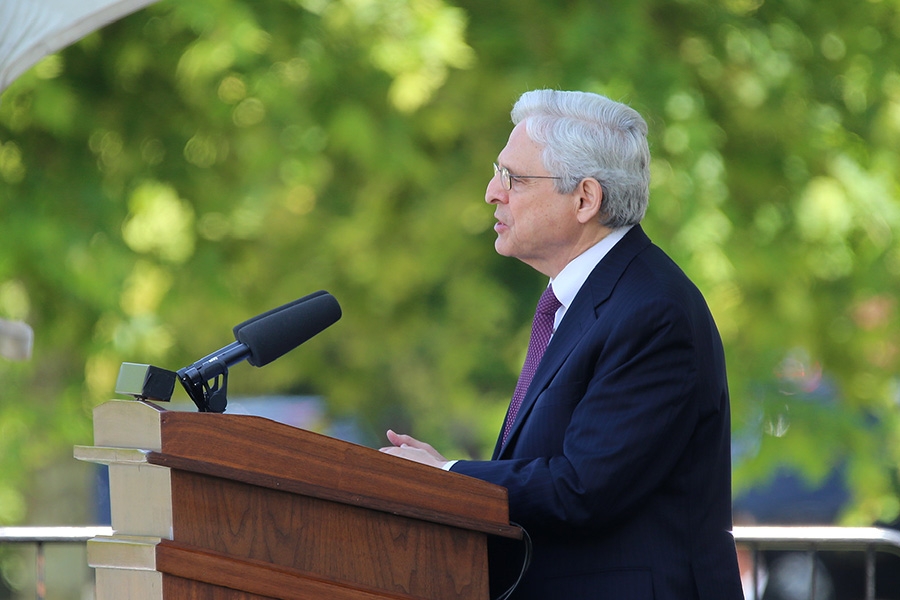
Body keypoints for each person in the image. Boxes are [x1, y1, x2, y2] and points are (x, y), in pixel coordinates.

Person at [380, 89, 744, 599]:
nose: (491, 192)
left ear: (585, 199)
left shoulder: (652, 311)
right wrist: (449, 476)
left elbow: (585, 488)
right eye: (496, 171)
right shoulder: (591, 298)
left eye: (514, 178)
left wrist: (447, 476)